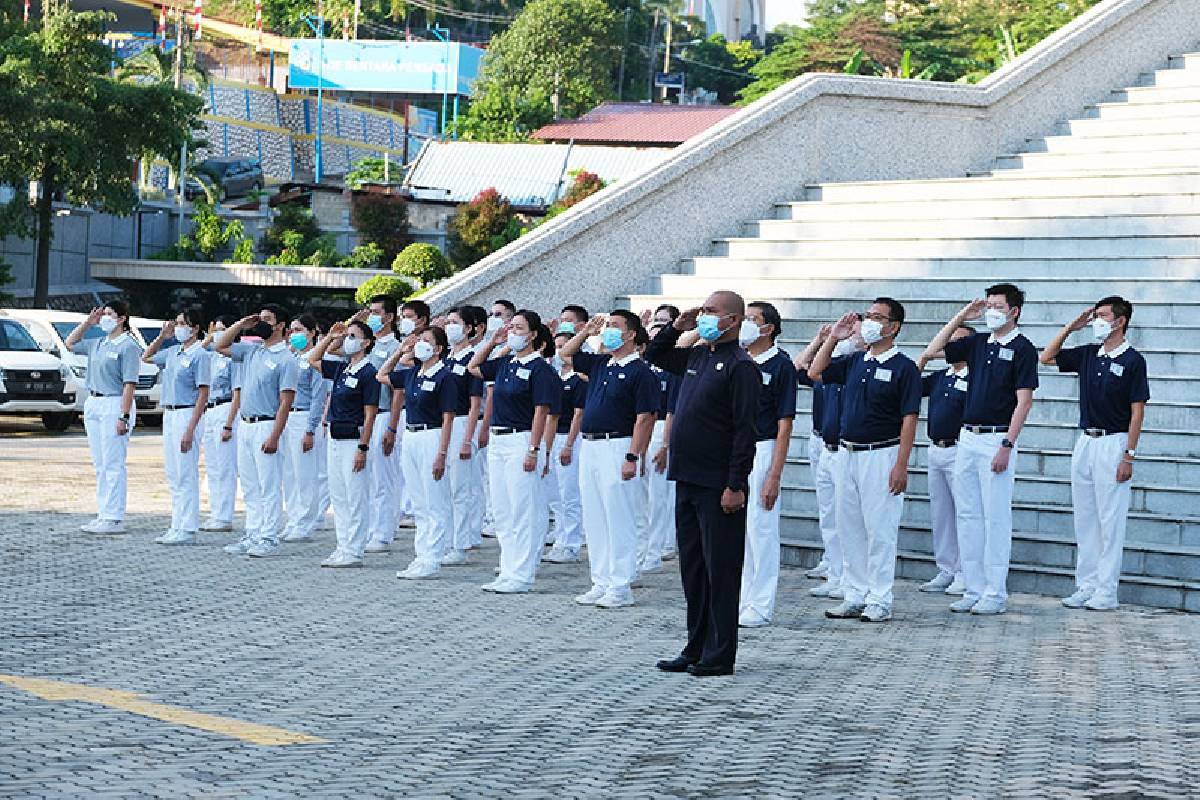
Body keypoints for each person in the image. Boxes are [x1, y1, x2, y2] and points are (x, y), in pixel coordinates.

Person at [646, 291, 760, 677]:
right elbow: (656, 356)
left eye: (712, 312)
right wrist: (679, 326)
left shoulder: (741, 366)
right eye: (704, 311)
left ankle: (720, 653)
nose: (705, 317)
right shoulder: (698, 354)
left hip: (718, 484)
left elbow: (746, 431)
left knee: (721, 570)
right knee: (693, 570)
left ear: (733, 320)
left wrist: (736, 483)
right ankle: (695, 645)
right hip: (687, 477)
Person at [923, 283, 1038, 616]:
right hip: (967, 438)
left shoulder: (1022, 348)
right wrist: (961, 315)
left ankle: (995, 591)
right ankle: (973, 588)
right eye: (988, 306)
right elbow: (933, 350)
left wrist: (1007, 444)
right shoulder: (976, 343)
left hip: (996, 438)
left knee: (994, 518)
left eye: (998, 306)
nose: (991, 311)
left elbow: (1024, 401)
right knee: (968, 515)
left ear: (1014, 311)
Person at [809, 299, 920, 623]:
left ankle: (879, 598)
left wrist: (901, 464)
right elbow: (815, 371)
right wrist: (834, 337)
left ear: (893, 326)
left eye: (877, 317)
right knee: (849, 527)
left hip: (881, 454)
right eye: (868, 315)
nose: (870, 322)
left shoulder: (904, 367)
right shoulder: (857, 360)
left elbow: (909, 418)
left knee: (879, 529)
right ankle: (854, 593)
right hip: (847, 453)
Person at [1040, 296, 1148, 611]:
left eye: (1101, 315)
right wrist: (1072, 327)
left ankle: (1106, 591)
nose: (1095, 320)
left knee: (1110, 520)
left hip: (1114, 443)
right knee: (1085, 518)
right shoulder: (1089, 354)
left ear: (1120, 321)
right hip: (1085, 441)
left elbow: (1137, 412)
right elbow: (1047, 357)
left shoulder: (1132, 360)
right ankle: (1086, 585)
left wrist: (1129, 454)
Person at [560, 312, 659, 608]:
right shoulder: (601, 363)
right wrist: (587, 331)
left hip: (618, 445)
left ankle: (621, 584)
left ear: (631, 334)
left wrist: (633, 455)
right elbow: (565, 353)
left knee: (619, 517)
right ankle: (600, 580)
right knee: (595, 517)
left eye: (615, 327)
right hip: (590, 447)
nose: (608, 331)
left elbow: (646, 417)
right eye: (607, 326)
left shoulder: (641, 371)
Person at [468, 310, 559, 594]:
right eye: (511, 327)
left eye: (519, 328)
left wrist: (534, 449)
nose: (513, 332)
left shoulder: (540, 369)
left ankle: (523, 572)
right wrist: (494, 342)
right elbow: (474, 367)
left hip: (522, 440)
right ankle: (508, 569)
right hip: (498, 441)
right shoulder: (506, 363)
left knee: (524, 508)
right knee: (504, 510)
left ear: (533, 335)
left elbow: (541, 411)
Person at [215, 305, 298, 558]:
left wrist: (274, 435)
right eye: (260, 319)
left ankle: (269, 536)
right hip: (246, 424)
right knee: (250, 484)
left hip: (266, 424)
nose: (261, 323)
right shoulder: (252, 351)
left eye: (267, 320)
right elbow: (219, 345)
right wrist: (241, 325)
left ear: (281, 325)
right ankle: (253, 532)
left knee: (268, 484)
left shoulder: (286, 358)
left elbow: (286, 402)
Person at [380, 326, 458, 579]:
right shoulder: (413, 373)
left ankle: (433, 557)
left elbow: (448, 418)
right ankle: (421, 554)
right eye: (418, 341)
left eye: (426, 341)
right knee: (419, 501)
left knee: (434, 499)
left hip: (431, 435)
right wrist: (400, 351)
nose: (419, 344)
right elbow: (383, 375)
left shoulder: (445, 377)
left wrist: (442, 454)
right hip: (411, 436)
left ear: (438, 349)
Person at [736, 302, 797, 628]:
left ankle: (760, 604)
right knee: (740, 532)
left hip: (763, 447)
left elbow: (784, 423)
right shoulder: (739, 360)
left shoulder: (780, 365)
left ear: (769, 327)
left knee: (761, 529)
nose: (745, 324)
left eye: (752, 319)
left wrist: (774, 473)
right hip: (736, 449)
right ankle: (743, 599)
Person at [795, 322, 861, 599]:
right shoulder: (827, 368)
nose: (849, 335)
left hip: (846, 449)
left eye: (854, 331)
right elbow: (800, 368)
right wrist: (822, 339)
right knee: (829, 514)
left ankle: (850, 575)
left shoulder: (854, 368)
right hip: (823, 444)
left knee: (848, 518)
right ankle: (835, 572)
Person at [65, 302, 142, 535]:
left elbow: (130, 383)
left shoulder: (128, 345)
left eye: (109, 314)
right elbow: (70, 343)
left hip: (114, 402)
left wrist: (124, 415)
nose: (105, 317)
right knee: (100, 463)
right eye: (103, 314)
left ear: (121, 319)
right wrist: (88, 322)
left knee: (113, 463)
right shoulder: (98, 342)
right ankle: (103, 513)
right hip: (94, 402)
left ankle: (114, 517)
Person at [308, 320, 380, 568]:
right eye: (347, 335)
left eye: (352, 336)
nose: (347, 339)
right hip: (335, 437)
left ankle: (355, 549)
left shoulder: (369, 372)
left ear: (366, 342)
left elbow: (370, 413)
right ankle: (342, 546)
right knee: (339, 495)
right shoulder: (343, 369)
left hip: (353, 438)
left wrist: (363, 446)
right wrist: (330, 337)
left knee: (355, 495)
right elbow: (313, 359)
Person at [142, 310, 212, 545]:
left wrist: (191, 428)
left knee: (186, 473)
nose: (180, 327)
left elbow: (203, 392)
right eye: (178, 323)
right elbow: (147, 357)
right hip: (169, 413)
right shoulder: (173, 352)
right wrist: (163, 336)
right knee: (174, 474)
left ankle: (188, 527)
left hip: (186, 413)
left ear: (195, 328)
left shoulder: (200, 355)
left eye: (184, 324)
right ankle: (176, 523)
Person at [915, 325, 974, 595]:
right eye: (950, 340)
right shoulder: (941, 376)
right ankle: (947, 567)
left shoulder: (976, 377)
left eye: (959, 341)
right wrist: (926, 358)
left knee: (964, 511)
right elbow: (912, 384)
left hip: (961, 448)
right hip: (935, 448)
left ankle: (965, 571)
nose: (952, 346)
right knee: (942, 514)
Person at [439, 306, 486, 564]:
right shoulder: (444, 359)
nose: (450, 327)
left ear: (468, 328)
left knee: (461, 487)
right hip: (442, 425)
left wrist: (468, 438)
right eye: (447, 322)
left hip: (461, 424)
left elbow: (475, 403)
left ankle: (461, 543)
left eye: (455, 322)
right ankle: (445, 540)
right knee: (443, 486)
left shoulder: (472, 360)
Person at [360, 295, 404, 553]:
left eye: (377, 313)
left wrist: (392, 426)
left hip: (384, 413)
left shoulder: (395, 347)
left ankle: (383, 531)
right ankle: (369, 527)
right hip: (365, 416)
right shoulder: (367, 346)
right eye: (370, 312)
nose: (372, 317)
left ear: (389, 317)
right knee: (367, 478)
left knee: (383, 478)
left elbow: (399, 390)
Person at [280, 314, 328, 544]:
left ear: (311, 333)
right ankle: (293, 518)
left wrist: (311, 429)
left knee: (305, 474)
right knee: (289, 473)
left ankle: (306, 521)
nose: (294, 334)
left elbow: (319, 397)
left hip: (304, 416)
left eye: (299, 330)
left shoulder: (314, 359)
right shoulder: (290, 357)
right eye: (291, 330)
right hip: (287, 417)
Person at [543, 331, 587, 564]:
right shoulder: (553, 376)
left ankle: (570, 543)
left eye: (565, 346)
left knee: (569, 494)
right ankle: (560, 537)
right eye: (557, 345)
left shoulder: (579, 379)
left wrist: (568, 445)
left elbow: (578, 414)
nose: (560, 350)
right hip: (552, 437)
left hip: (570, 437)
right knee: (554, 494)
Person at [199, 316, 240, 533]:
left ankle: (224, 515)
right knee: (213, 467)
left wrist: (229, 423)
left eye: (224, 329)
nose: (219, 333)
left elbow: (237, 393)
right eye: (216, 329)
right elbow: (197, 351)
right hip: (210, 409)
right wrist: (209, 338)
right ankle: (215, 512)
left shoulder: (234, 357)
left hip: (226, 409)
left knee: (225, 467)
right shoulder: (211, 356)